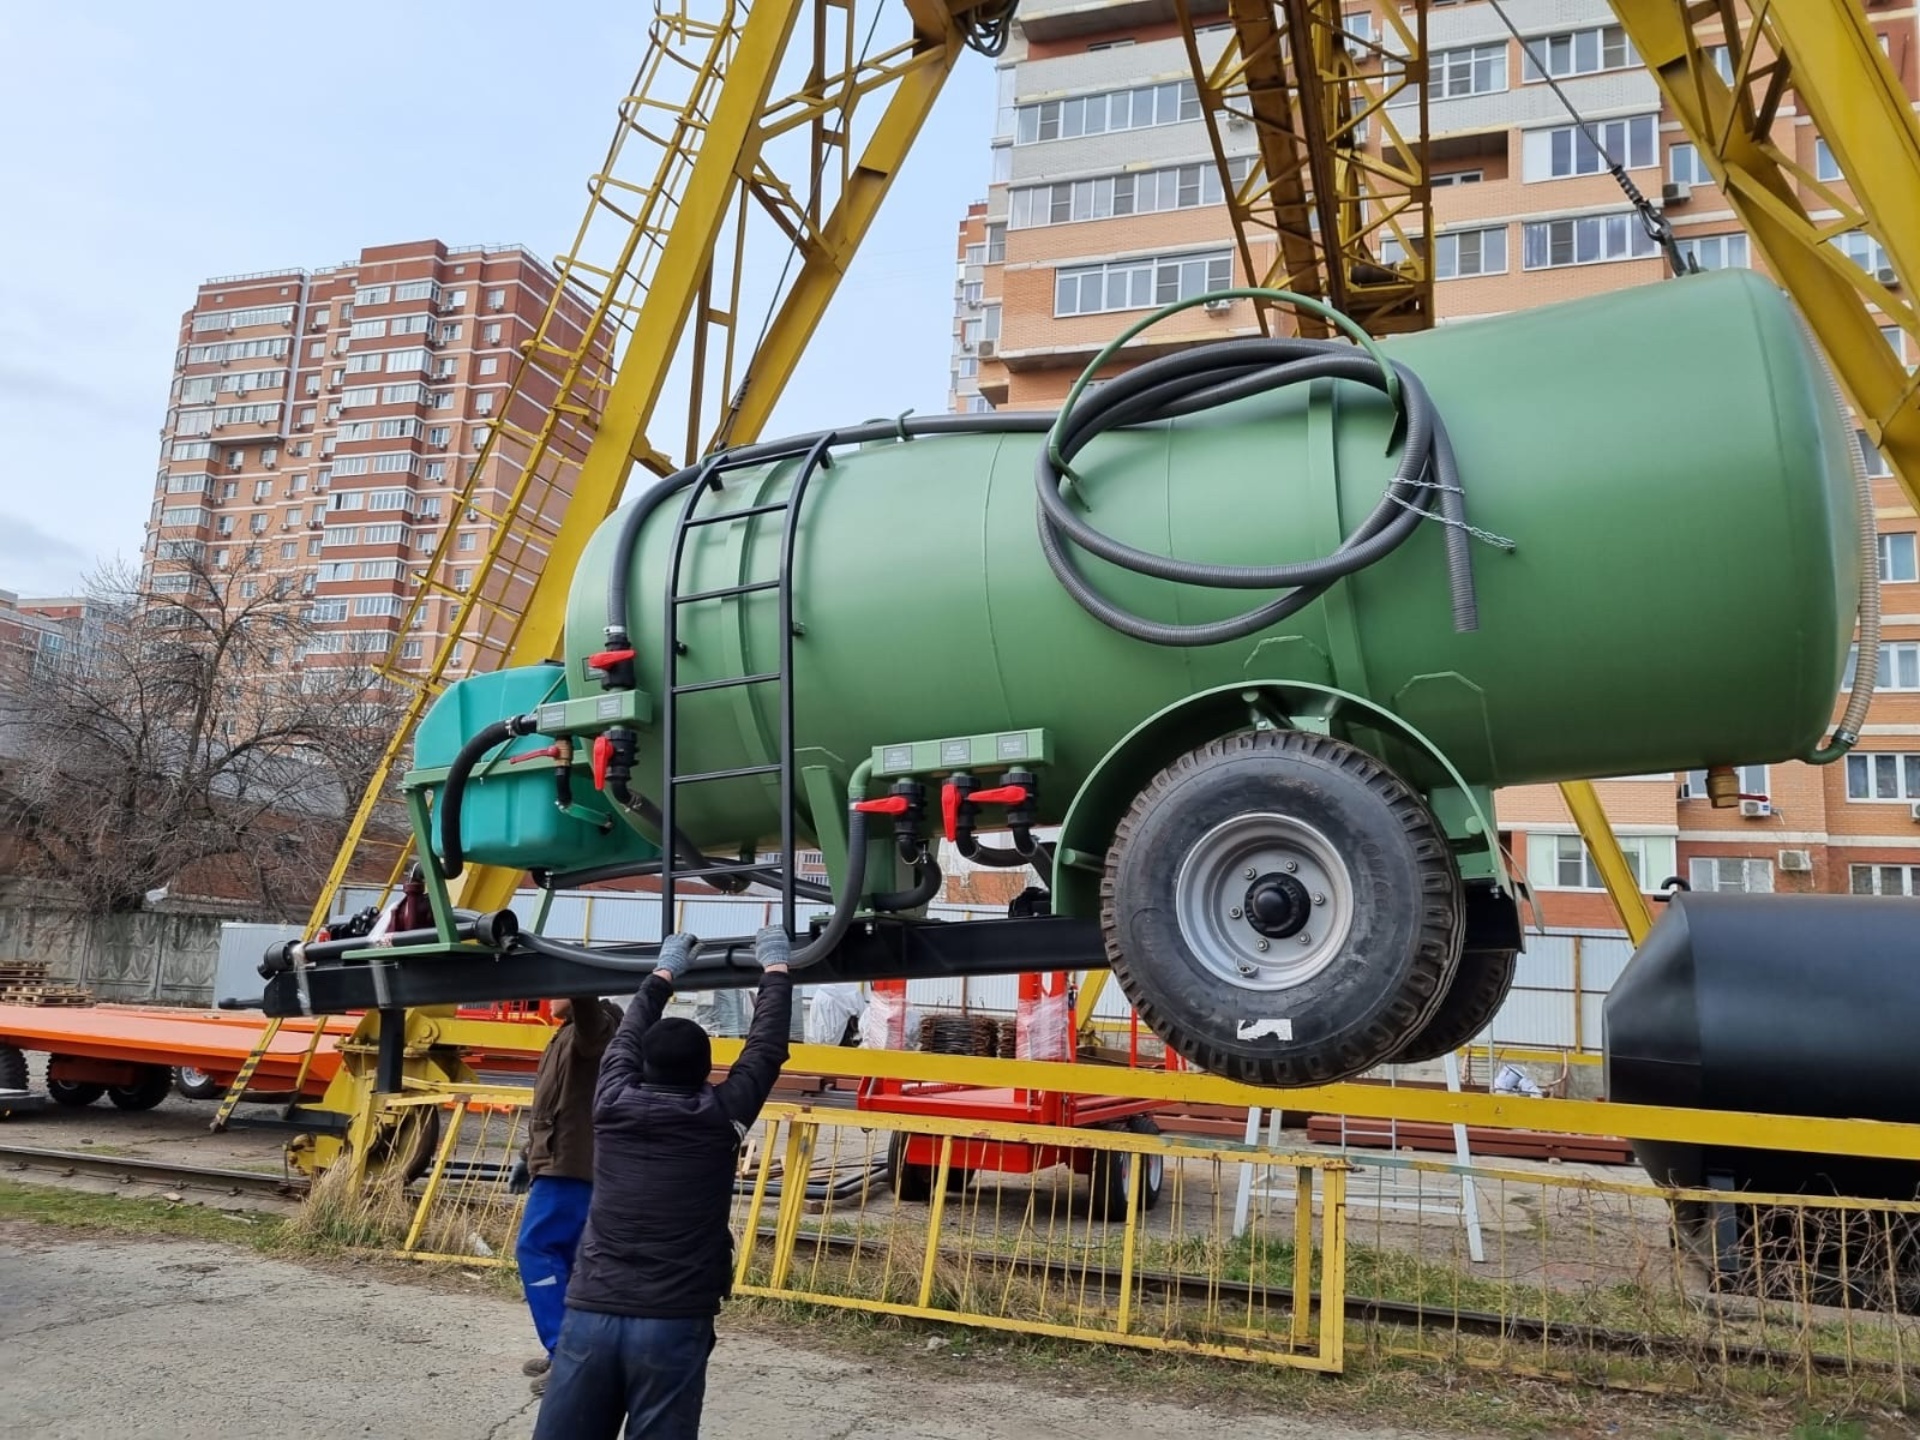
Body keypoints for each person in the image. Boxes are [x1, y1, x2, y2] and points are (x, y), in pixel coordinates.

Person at [532, 927, 792, 1439]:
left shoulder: (610, 1103)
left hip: (591, 1312)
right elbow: (766, 1048)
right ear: (706, 1072)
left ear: (641, 1065)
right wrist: (777, 966)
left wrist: (665, 969)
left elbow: (627, 1033)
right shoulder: (719, 1116)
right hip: (674, 1320)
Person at [512, 992, 622, 1394]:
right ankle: (575, 1349)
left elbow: (588, 1015)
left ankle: (567, 1354)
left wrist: (577, 980)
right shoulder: (566, 1033)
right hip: (556, 1161)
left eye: (557, 986)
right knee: (570, 1261)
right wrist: (529, 1155)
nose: (547, 995)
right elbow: (555, 1104)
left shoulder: (596, 1029)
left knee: (536, 1250)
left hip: (570, 1168)